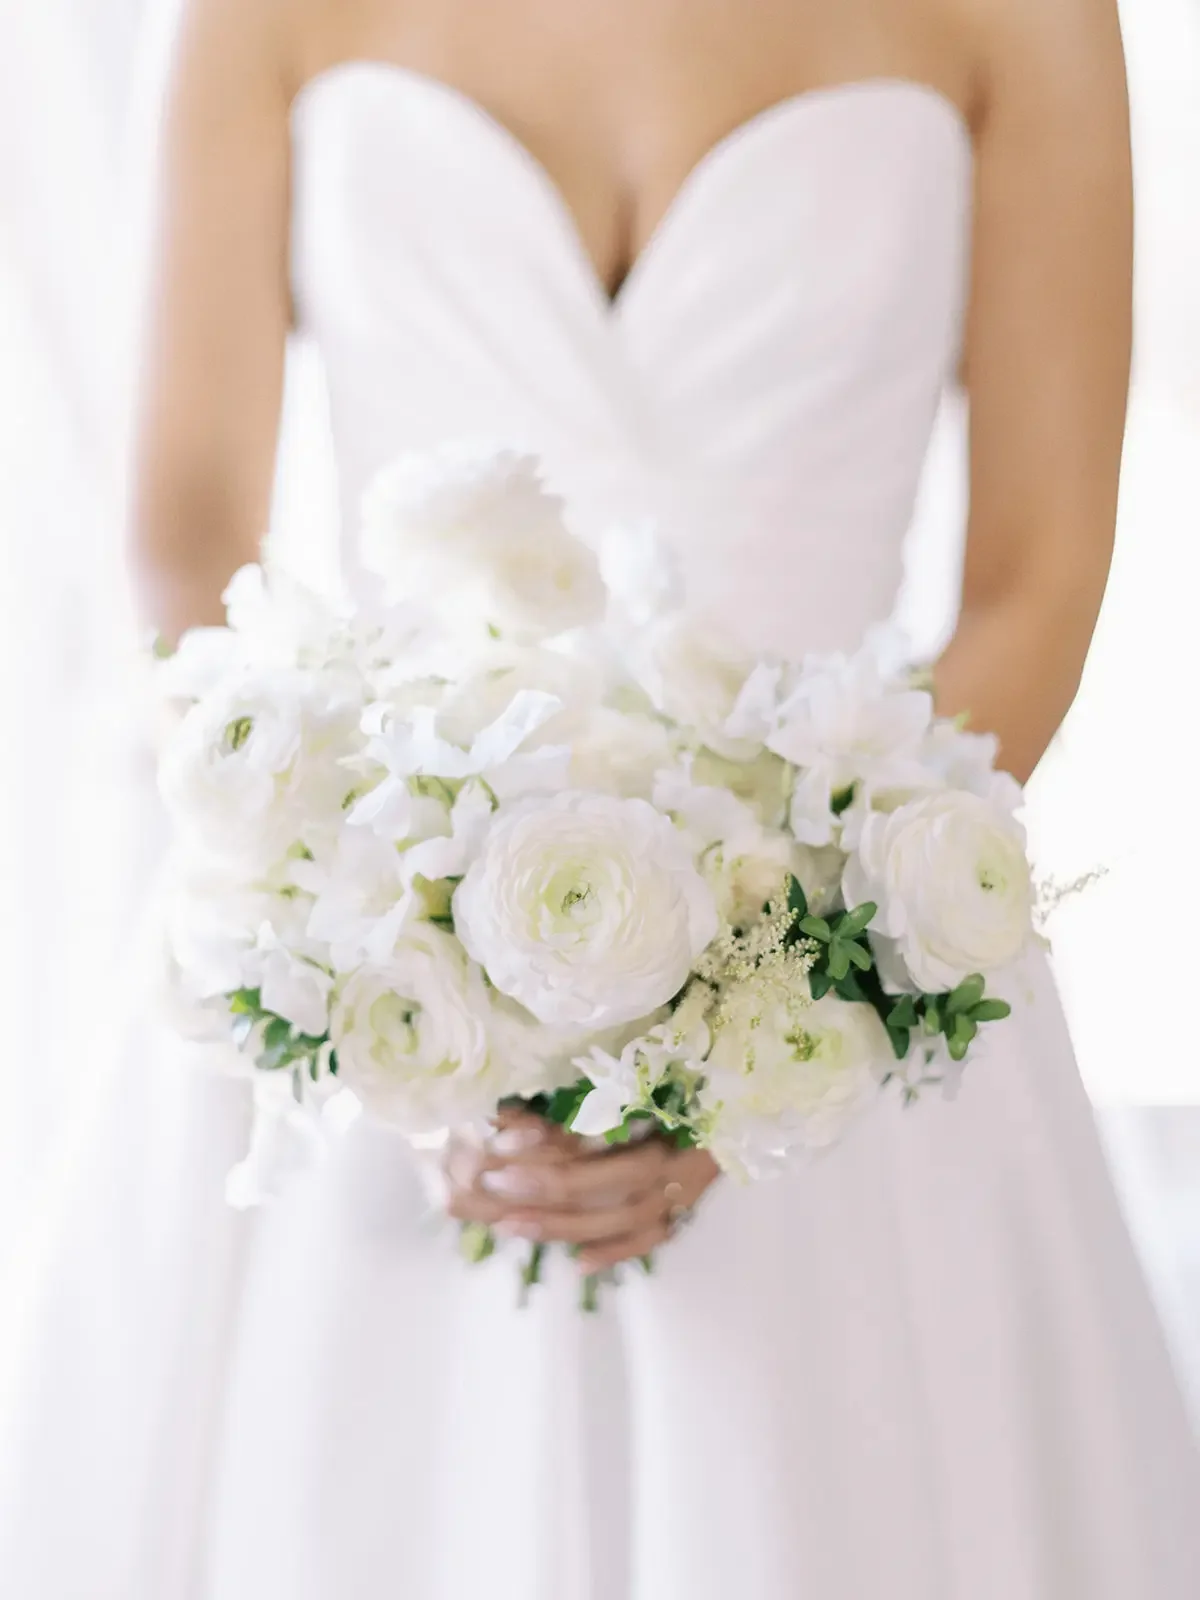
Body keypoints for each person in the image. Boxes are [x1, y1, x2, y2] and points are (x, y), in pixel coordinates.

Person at [3, 0, 1199, 1595]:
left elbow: (1035, 577)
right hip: (377, 933)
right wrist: (385, 964)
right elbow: (189, 521)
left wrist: (788, 1019)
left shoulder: (1034, 20)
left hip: (849, 956)